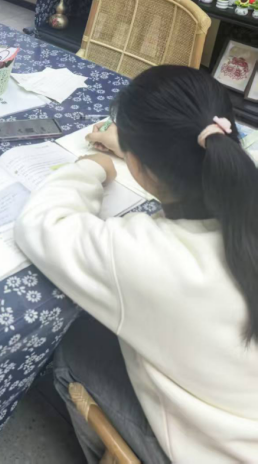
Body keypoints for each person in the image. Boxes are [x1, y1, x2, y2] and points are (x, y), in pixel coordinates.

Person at [15, 65, 258, 464]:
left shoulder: (146, 254)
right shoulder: (242, 187)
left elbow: (41, 223)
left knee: (75, 342)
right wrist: (136, 147)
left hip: (217, 452)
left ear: (139, 167)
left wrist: (93, 166)